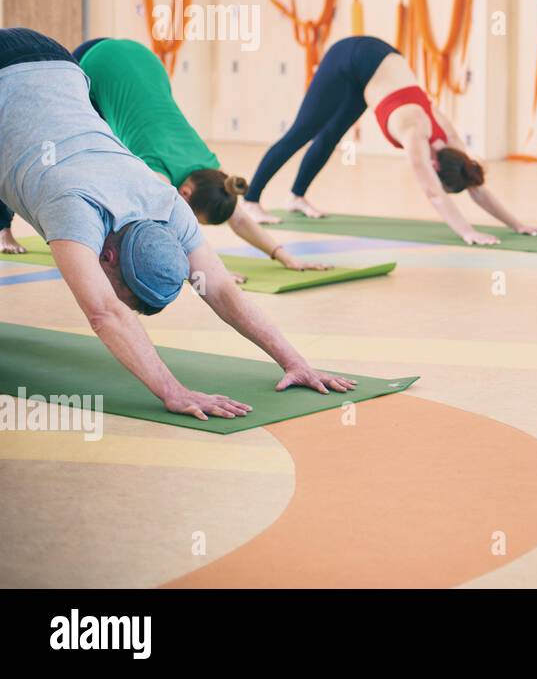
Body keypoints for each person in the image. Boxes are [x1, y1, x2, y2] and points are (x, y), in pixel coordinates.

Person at [0, 28, 354, 420]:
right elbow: (103, 312)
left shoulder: (167, 202)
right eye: (124, 295)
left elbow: (219, 288)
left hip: (59, 60)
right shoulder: (72, 204)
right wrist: (174, 392)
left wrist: (294, 361)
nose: (121, 305)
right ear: (110, 255)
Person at [12, 36, 330, 283]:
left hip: (143, 59)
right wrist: (208, 273)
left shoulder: (212, 172)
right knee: (44, 140)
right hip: (95, 63)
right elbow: (159, 226)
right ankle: (3, 229)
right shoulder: (159, 173)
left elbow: (239, 216)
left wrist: (284, 256)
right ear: (185, 194)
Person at [241, 35, 537, 246]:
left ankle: (296, 197)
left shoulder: (452, 142)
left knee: (330, 136)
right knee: (302, 132)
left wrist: (517, 224)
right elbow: (434, 194)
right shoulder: (414, 132)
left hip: (376, 66)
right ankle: (252, 199)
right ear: (434, 165)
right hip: (350, 55)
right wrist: (467, 232)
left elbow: (475, 184)